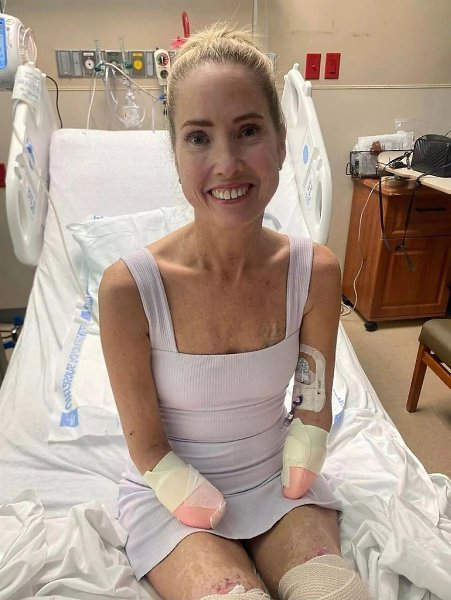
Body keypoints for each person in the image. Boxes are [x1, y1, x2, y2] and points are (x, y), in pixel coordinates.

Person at [99, 23, 370, 600]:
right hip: (170, 492)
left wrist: (307, 451)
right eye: (198, 137)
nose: (226, 163)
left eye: (248, 131)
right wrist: (183, 492)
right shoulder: (129, 290)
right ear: (175, 155)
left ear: (280, 141)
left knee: (335, 593)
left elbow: (312, 401)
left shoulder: (314, 272)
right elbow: (147, 446)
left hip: (279, 479)